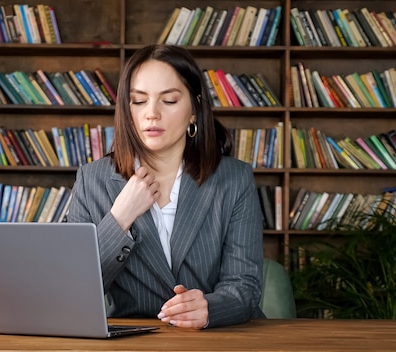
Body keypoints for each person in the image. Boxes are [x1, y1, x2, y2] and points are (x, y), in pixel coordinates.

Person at [67, 44, 264, 329]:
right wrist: (119, 219)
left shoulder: (234, 179)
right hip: (134, 341)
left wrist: (210, 308)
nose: (152, 114)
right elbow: (75, 290)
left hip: (217, 339)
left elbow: (245, 286)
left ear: (194, 110)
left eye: (169, 101)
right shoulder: (91, 181)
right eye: (139, 101)